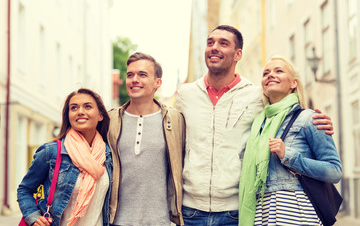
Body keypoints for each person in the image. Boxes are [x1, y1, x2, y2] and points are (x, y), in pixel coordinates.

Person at [175, 25, 334, 226]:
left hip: (236, 211)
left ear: (238, 54)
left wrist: (320, 122)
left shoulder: (257, 96)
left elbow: (285, 113)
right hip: (190, 210)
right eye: (210, 42)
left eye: (223, 43)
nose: (214, 47)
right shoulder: (186, 94)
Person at [238, 56, 343, 225]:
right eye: (266, 73)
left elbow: (334, 171)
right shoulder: (258, 125)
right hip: (263, 211)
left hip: (296, 213)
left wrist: (289, 156)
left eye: (279, 71)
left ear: (294, 83)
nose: (270, 75)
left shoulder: (309, 118)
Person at [107, 52, 185, 226]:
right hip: (116, 221)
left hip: (160, 221)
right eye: (130, 75)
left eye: (142, 75)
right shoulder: (110, 120)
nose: (135, 79)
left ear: (157, 82)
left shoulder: (175, 119)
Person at [17, 88, 112, 226]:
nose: (80, 111)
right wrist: (33, 217)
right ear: (68, 115)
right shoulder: (52, 152)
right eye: (74, 108)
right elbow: (25, 189)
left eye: (88, 106)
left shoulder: (108, 155)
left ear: (100, 115)